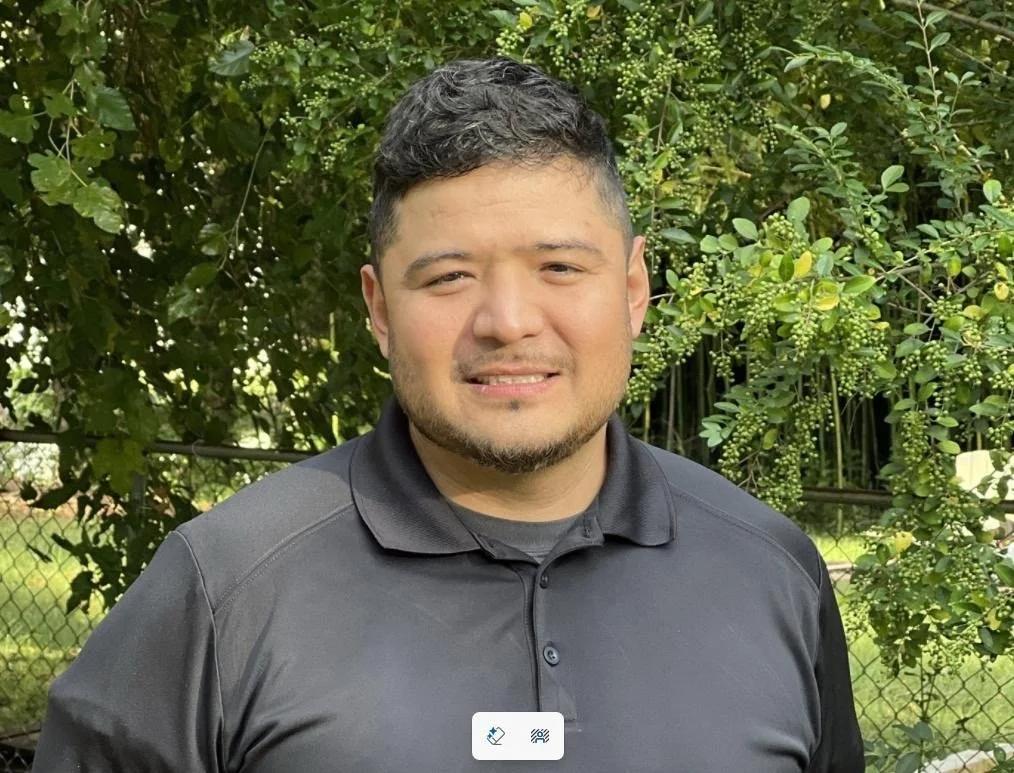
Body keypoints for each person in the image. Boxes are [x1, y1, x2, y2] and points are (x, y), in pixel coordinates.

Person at [32, 57, 864, 772]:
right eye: (449, 277)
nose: (508, 321)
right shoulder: (223, 591)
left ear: (634, 288)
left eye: (560, 267)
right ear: (379, 307)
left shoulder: (772, 575)